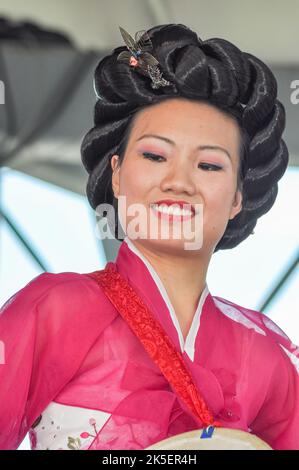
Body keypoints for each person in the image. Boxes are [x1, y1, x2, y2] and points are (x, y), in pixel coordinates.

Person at [0, 23, 298, 451]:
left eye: (209, 166)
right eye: (155, 156)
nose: (178, 182)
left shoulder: (268, 356)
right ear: (117, 174)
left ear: (237, 197)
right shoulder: (53, 310)